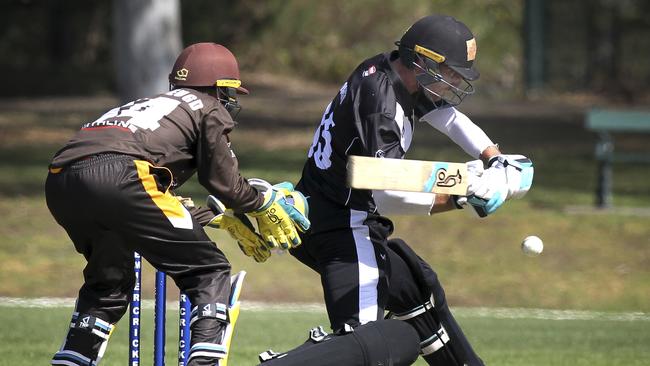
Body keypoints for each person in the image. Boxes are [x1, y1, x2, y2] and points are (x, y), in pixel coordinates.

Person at [262, 15, 533, 366]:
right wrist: (460, 195)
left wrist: (494, 158)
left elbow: (446, 117)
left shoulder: (390, 71)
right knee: (364, 348)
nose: (452, 81)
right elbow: (384, 194)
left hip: (333, 211)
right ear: (419, 61)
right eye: (448, 72)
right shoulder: (382, 107)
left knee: (418, 292)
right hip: (344, 227)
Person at [46, 42, 308, 366]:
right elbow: (223, 183)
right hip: (124, 175)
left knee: (108, 285)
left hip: (62, 179)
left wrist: (213, 216)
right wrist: (261, 203)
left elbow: (144, 196)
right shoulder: (207, 106)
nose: (231, 102)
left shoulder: (149, 104)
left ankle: (71, 361)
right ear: (217, 87)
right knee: (210, 272)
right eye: (229, 93)